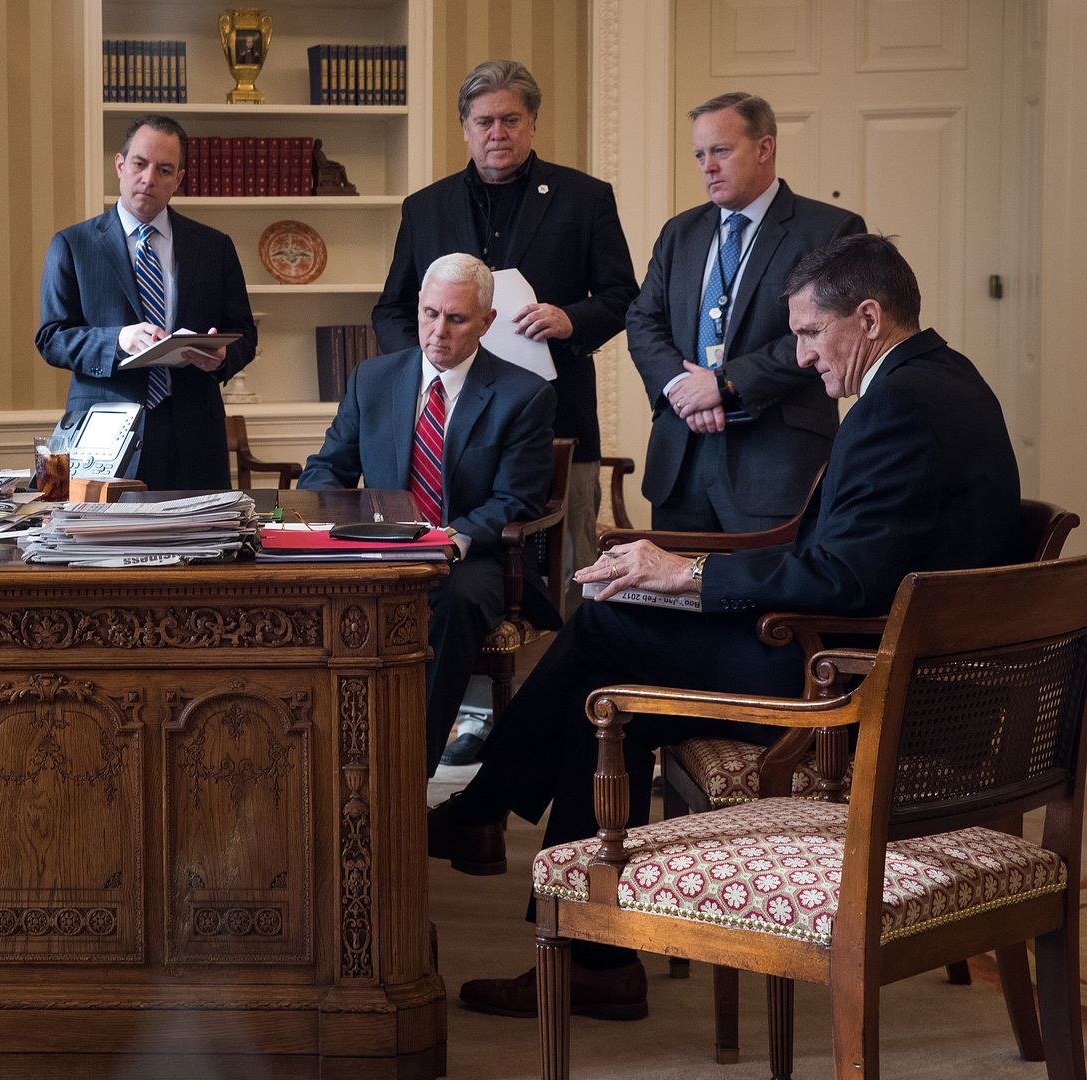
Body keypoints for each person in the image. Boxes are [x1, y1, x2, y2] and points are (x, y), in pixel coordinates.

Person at [431, 234, 1021, 1021]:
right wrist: (674, 569)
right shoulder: (935, 379)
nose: (804, 359)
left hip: (859, 682)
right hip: (857, 647)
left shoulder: (904, 403)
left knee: (604, 639)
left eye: (812, 334)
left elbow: (846, 577)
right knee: (609, 691)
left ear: (870, 318)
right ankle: (587, 954)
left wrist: (689, 574)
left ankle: (490, 823)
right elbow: (841, 557)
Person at [373, 60, 638, 666]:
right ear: (465, 128)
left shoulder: (584, 198)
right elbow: (391, 308)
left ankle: (563, 702)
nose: (499, 132)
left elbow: (625, 297)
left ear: (533, 124)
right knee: (458, 569)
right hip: (445, 426)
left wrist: (573, 320)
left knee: (568, 563)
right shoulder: (426, 207)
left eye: (512, 119)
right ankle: (466, 709)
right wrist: (426, 365)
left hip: (557, 417)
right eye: (485, 120)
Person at [301, 254, 556, 779]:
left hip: (473, 556)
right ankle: (321, 763)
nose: (437, 331)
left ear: (486, 322)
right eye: (429, 313)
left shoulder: (524, 395)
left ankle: (401, 773)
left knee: (451, 598)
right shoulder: (373, 378)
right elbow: (330, 466)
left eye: (456, 319)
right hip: (378, 546)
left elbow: (515, 502)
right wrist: (308, 524)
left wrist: (448, 540)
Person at [624, 91, 866, 532]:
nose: (707, 167)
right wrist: (682, 385)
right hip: (682, 459)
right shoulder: (680, 233)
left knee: (763, 598)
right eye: (699, 154)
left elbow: (827, 333)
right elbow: (642, 320)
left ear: (764, 148)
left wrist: (723, 384)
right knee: (671, 599)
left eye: (720, 150)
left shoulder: (830, 230)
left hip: (774, 465)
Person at [36, 114, 258, 490]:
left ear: (179, 180)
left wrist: (222, 358)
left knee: (205, 544)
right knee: (104, 546)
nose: (149, 178)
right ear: (120, 165)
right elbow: (52, 338)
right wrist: (118, 341)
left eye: (165, 169)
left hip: (194, 437)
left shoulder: (214, 247)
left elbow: (245, 334)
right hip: (106, 436)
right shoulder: (74, 245)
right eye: (139, 164)